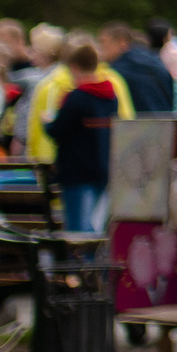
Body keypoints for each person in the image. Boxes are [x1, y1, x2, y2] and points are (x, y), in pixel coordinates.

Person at [24, 28, 133, 163]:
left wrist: (34, 158)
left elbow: (35, 129)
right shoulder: (112, 83)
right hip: (104, 161)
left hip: (56, 163)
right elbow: (126, 121)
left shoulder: (49, 85)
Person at [44, 42, 120, 234]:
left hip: (76, 169)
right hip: (102, 166)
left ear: (74, 67)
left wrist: (47, 122)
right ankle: (94, 262)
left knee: (78, 227)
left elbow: (58, 130)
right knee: (96, 223)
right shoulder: (110, 96)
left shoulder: (77, 97)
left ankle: (84, 263)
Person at [100, 21, 176, 114]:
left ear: (122, 42)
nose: (100, 50)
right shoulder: (156, 61)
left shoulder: (116, 71)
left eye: (103, 43)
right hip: (167, 122)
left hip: (138, 125)